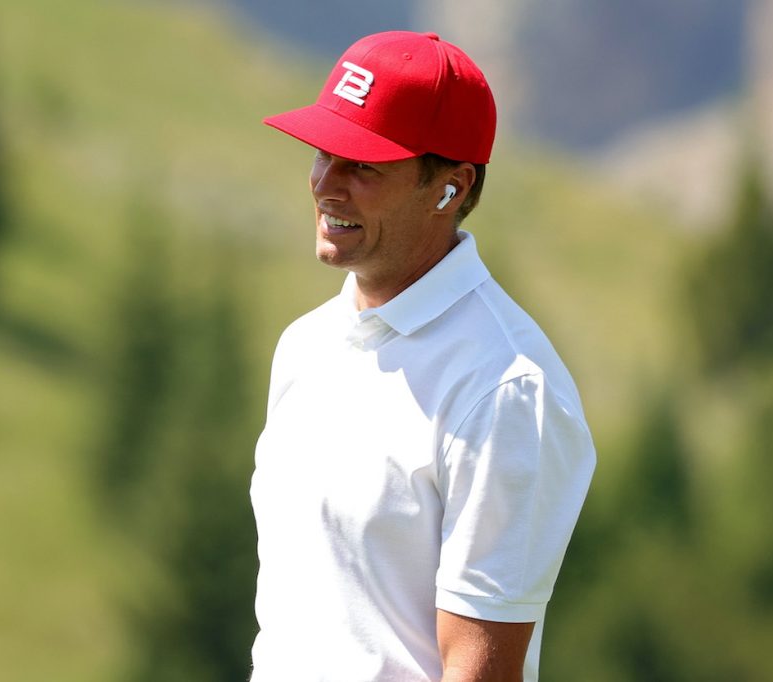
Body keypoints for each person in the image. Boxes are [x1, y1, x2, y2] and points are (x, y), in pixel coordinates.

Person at [250, 30, 596, 682]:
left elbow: (480, 670)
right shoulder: (303, 346)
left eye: (364, 166)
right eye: (325, 151)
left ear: (450, 187)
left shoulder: (505, 387)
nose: (327, 184)